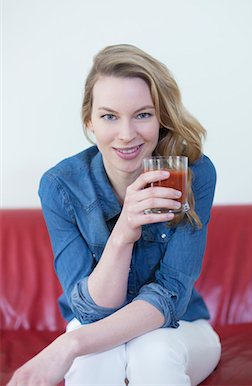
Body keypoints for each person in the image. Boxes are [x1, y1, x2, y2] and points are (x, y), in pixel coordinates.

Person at [8, 44, 221, 386]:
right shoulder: (60, 186)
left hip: (182, 327)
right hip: (95, 326)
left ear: (161, 117)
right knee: (95, 358)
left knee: (151, 350)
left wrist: (69, 343)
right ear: (89, 121)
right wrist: (124, 230)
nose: (126, 134)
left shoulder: (193, 174)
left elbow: (170, 295)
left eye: (142, 114)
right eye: (109, 116)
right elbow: (92, 312)